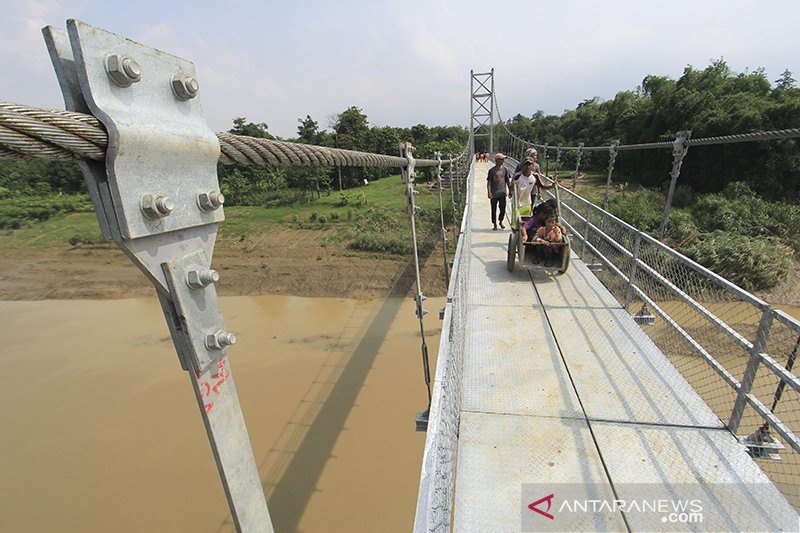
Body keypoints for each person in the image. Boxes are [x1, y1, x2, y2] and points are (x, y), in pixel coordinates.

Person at [486, 153, 512, 230]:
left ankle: (500, 221)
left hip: (502, 193)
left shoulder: (505, 170)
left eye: (503, 159)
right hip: (494, 194)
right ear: (497, 160)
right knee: (493, 209)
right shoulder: (491, 171)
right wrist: (489, 192)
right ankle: (494, 223)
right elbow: (489, 182)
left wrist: (510, 190)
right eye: (501, 159)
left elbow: (507, 180)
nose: (503, 161)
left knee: (503, 209)